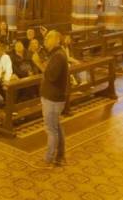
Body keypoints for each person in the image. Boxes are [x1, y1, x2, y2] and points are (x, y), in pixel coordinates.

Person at [41, 30, 68, 166]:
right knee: (56, 127)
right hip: (53, 97)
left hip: (52, 98)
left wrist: (40, 65)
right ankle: (61, 156)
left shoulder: (58, 56)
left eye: (49, 38)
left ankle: (49, 159)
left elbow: (52, 76)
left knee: (51, 130)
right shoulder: (56, 53)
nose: (45, 40)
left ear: (57, 40)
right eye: (45, 38)